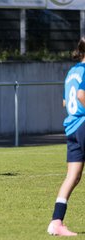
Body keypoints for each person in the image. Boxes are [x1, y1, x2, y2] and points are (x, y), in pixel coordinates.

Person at [47, 37, 85, 236]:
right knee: (73, 176)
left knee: (73, 176)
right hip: (83, 124)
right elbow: (81, 95)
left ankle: (56, 222)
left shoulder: (72, 72)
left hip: (71, 127)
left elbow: (65, 102)